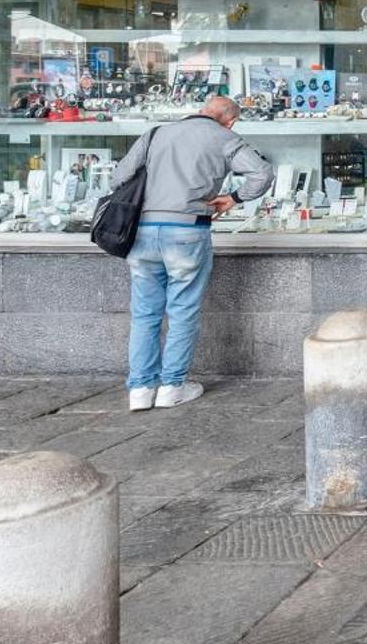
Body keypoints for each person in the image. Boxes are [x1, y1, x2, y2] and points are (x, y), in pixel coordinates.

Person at [109, 94, 275, 412]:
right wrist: (234, 198)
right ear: (231, 120)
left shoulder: (156, 133)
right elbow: (262, 174)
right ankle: (173, 385)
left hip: (142, 231)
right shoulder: (225, 137)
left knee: (145, 313)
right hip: (187, 230)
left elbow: (120, 178)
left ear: (202, 112)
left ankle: (141, 389)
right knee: (183, 311)